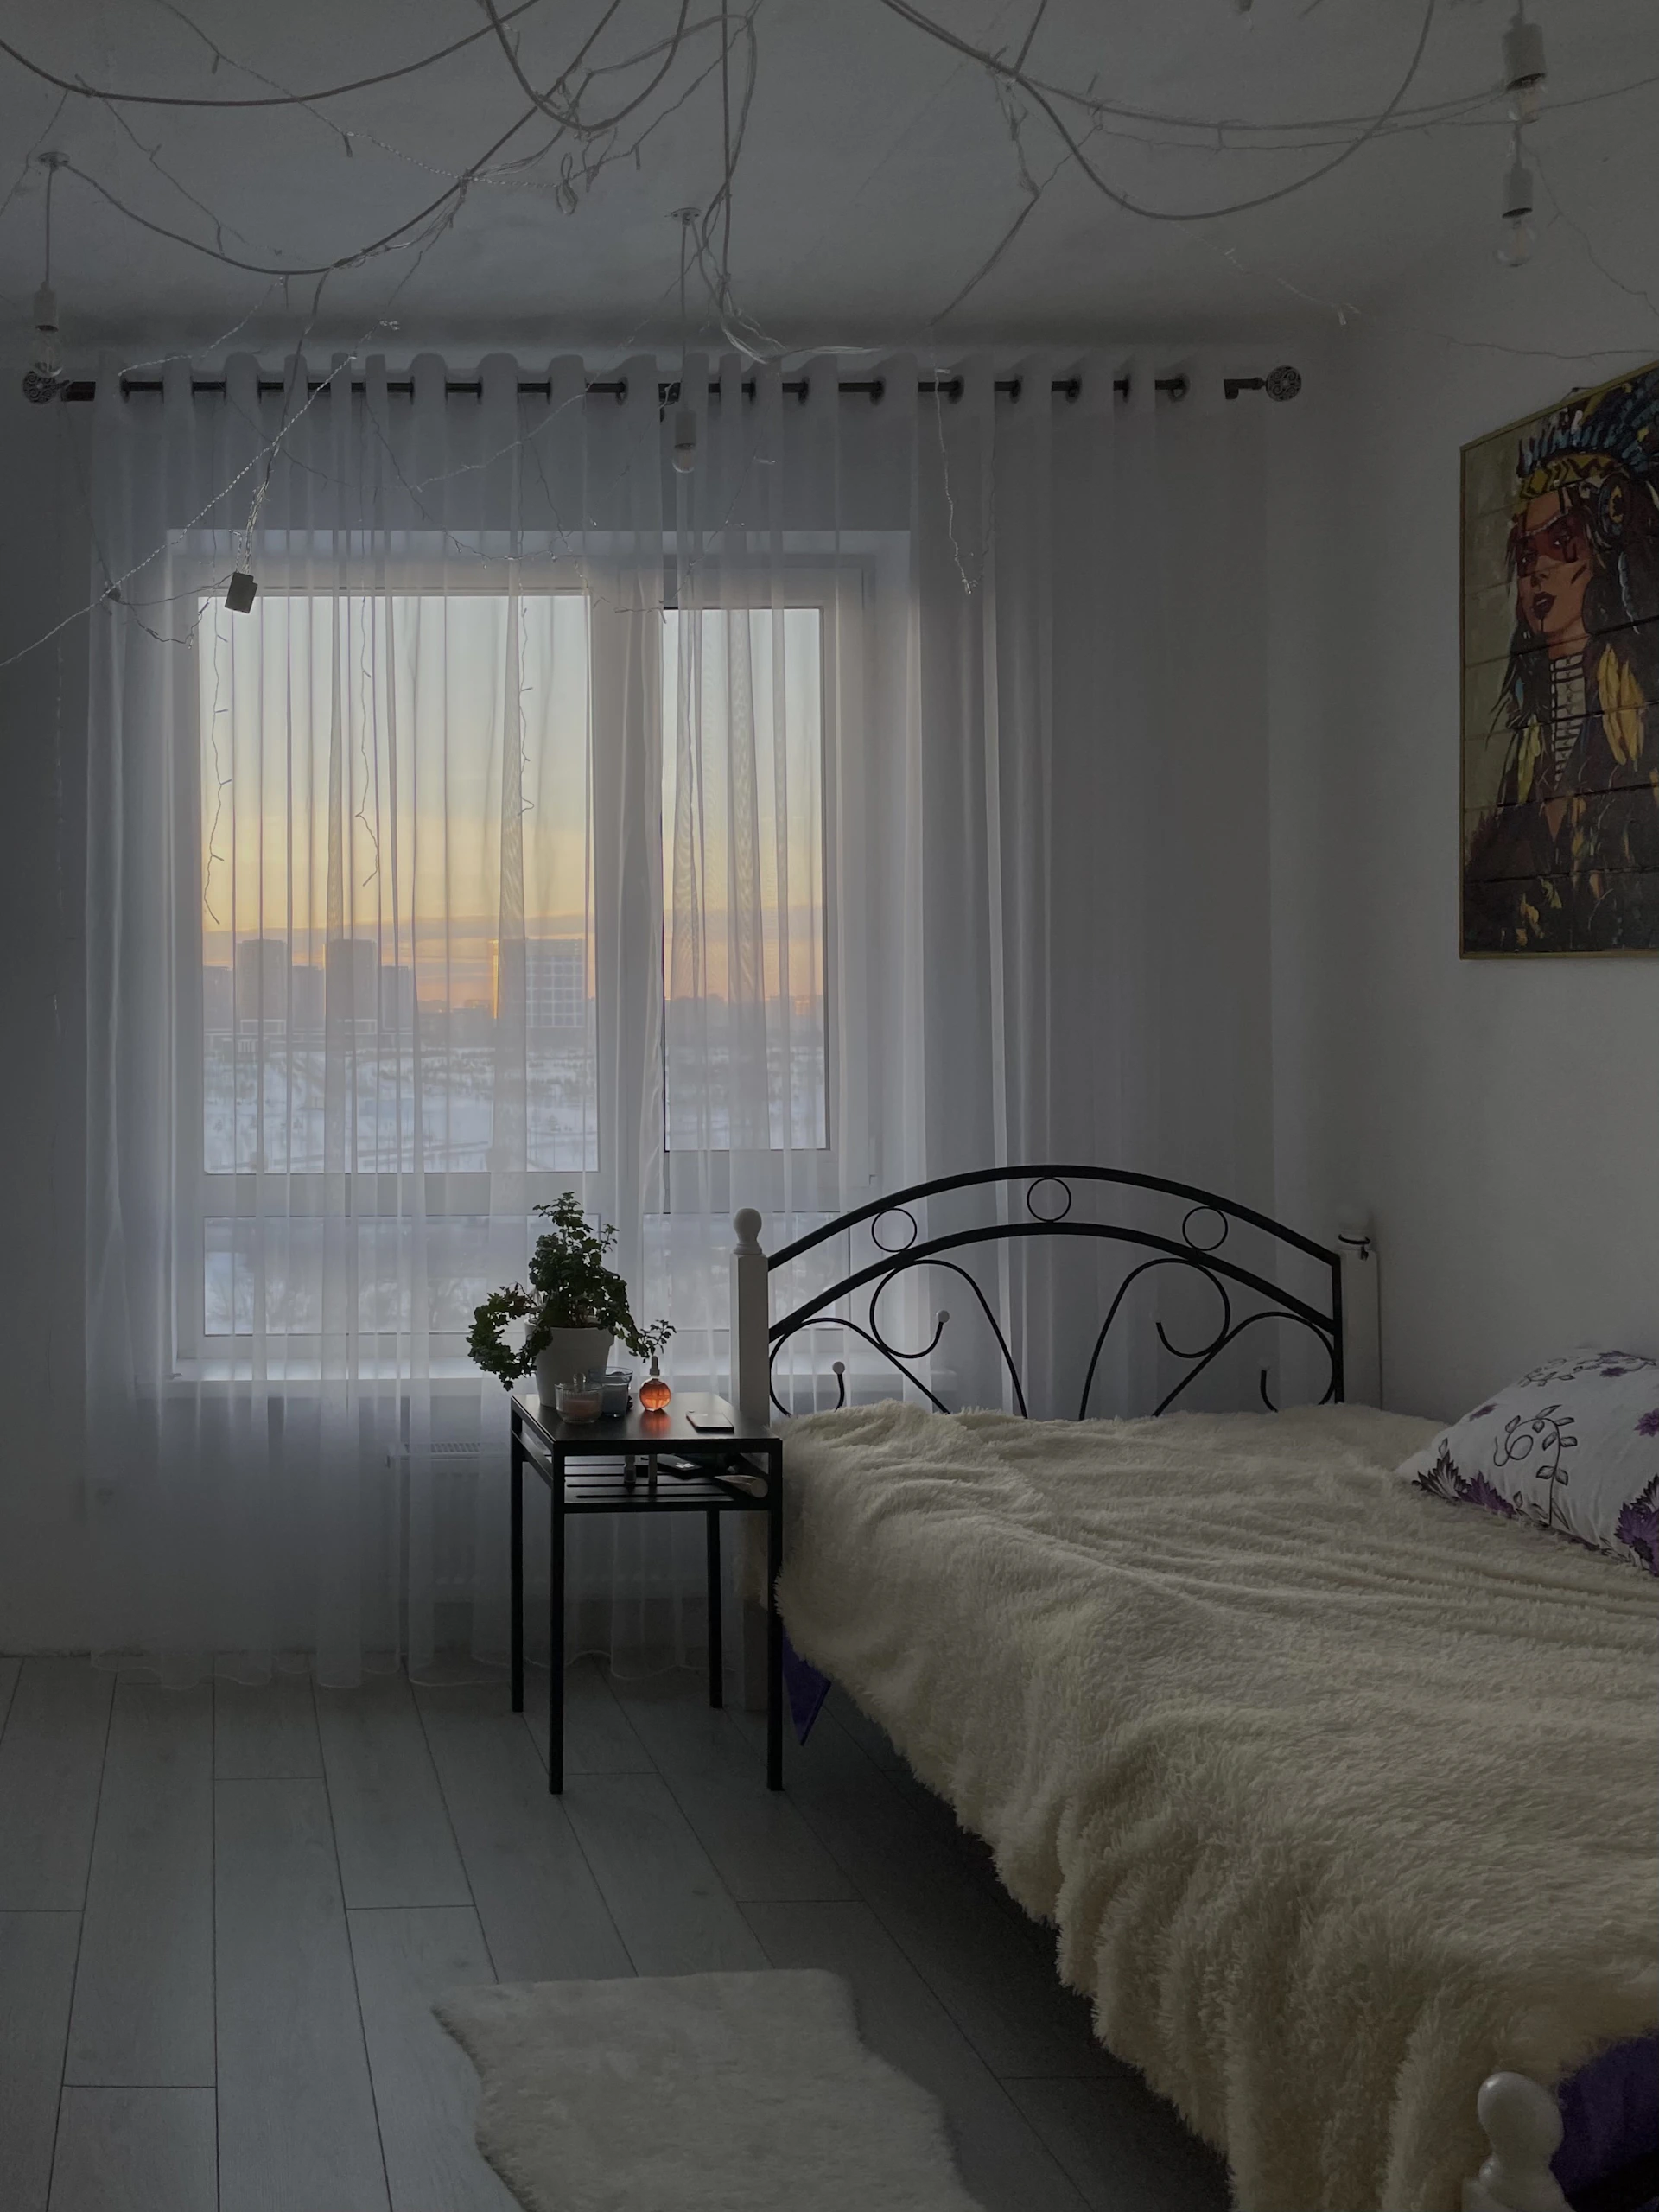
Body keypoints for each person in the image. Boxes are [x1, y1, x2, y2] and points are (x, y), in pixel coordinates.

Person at [1463, 371, 1659, 953]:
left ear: (1604, 547)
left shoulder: (1636, 731)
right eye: (1526, 553)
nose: (1537, 571)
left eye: (1562, 540)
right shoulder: (1526, 758)